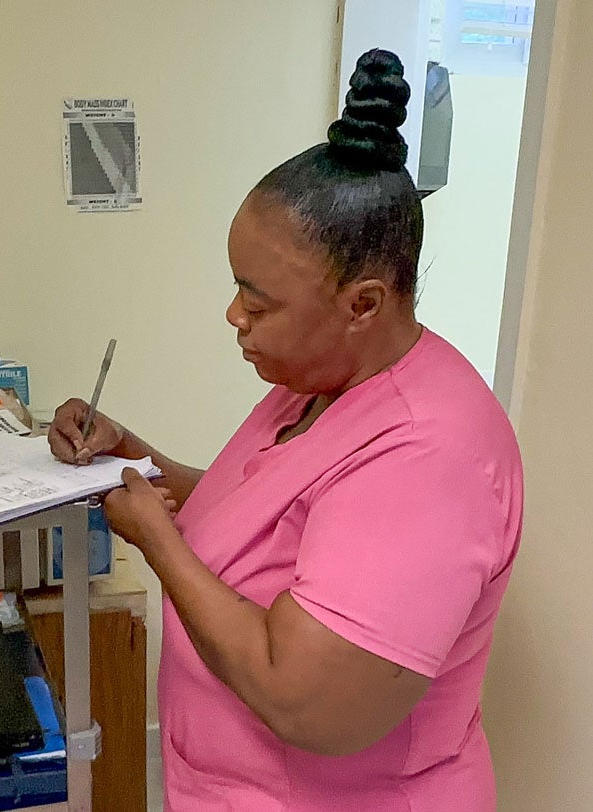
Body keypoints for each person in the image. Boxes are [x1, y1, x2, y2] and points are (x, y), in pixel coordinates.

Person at [49, 50, 522, 810]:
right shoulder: (318, 378)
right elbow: (266, 518)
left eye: (257, 302)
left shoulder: (430, 457)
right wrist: (132, 454)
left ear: (361, 304)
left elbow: (308, 701)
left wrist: (157, 542)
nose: (234, 317)